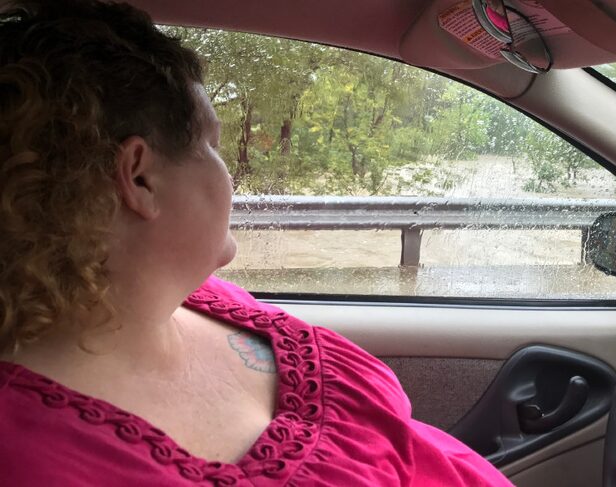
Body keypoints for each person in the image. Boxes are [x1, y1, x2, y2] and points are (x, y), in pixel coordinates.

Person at [0, 1, 514, 485]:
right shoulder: (33, 457)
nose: (230, 176)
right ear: (140, 178)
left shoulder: (204, 300)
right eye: (212, 146)